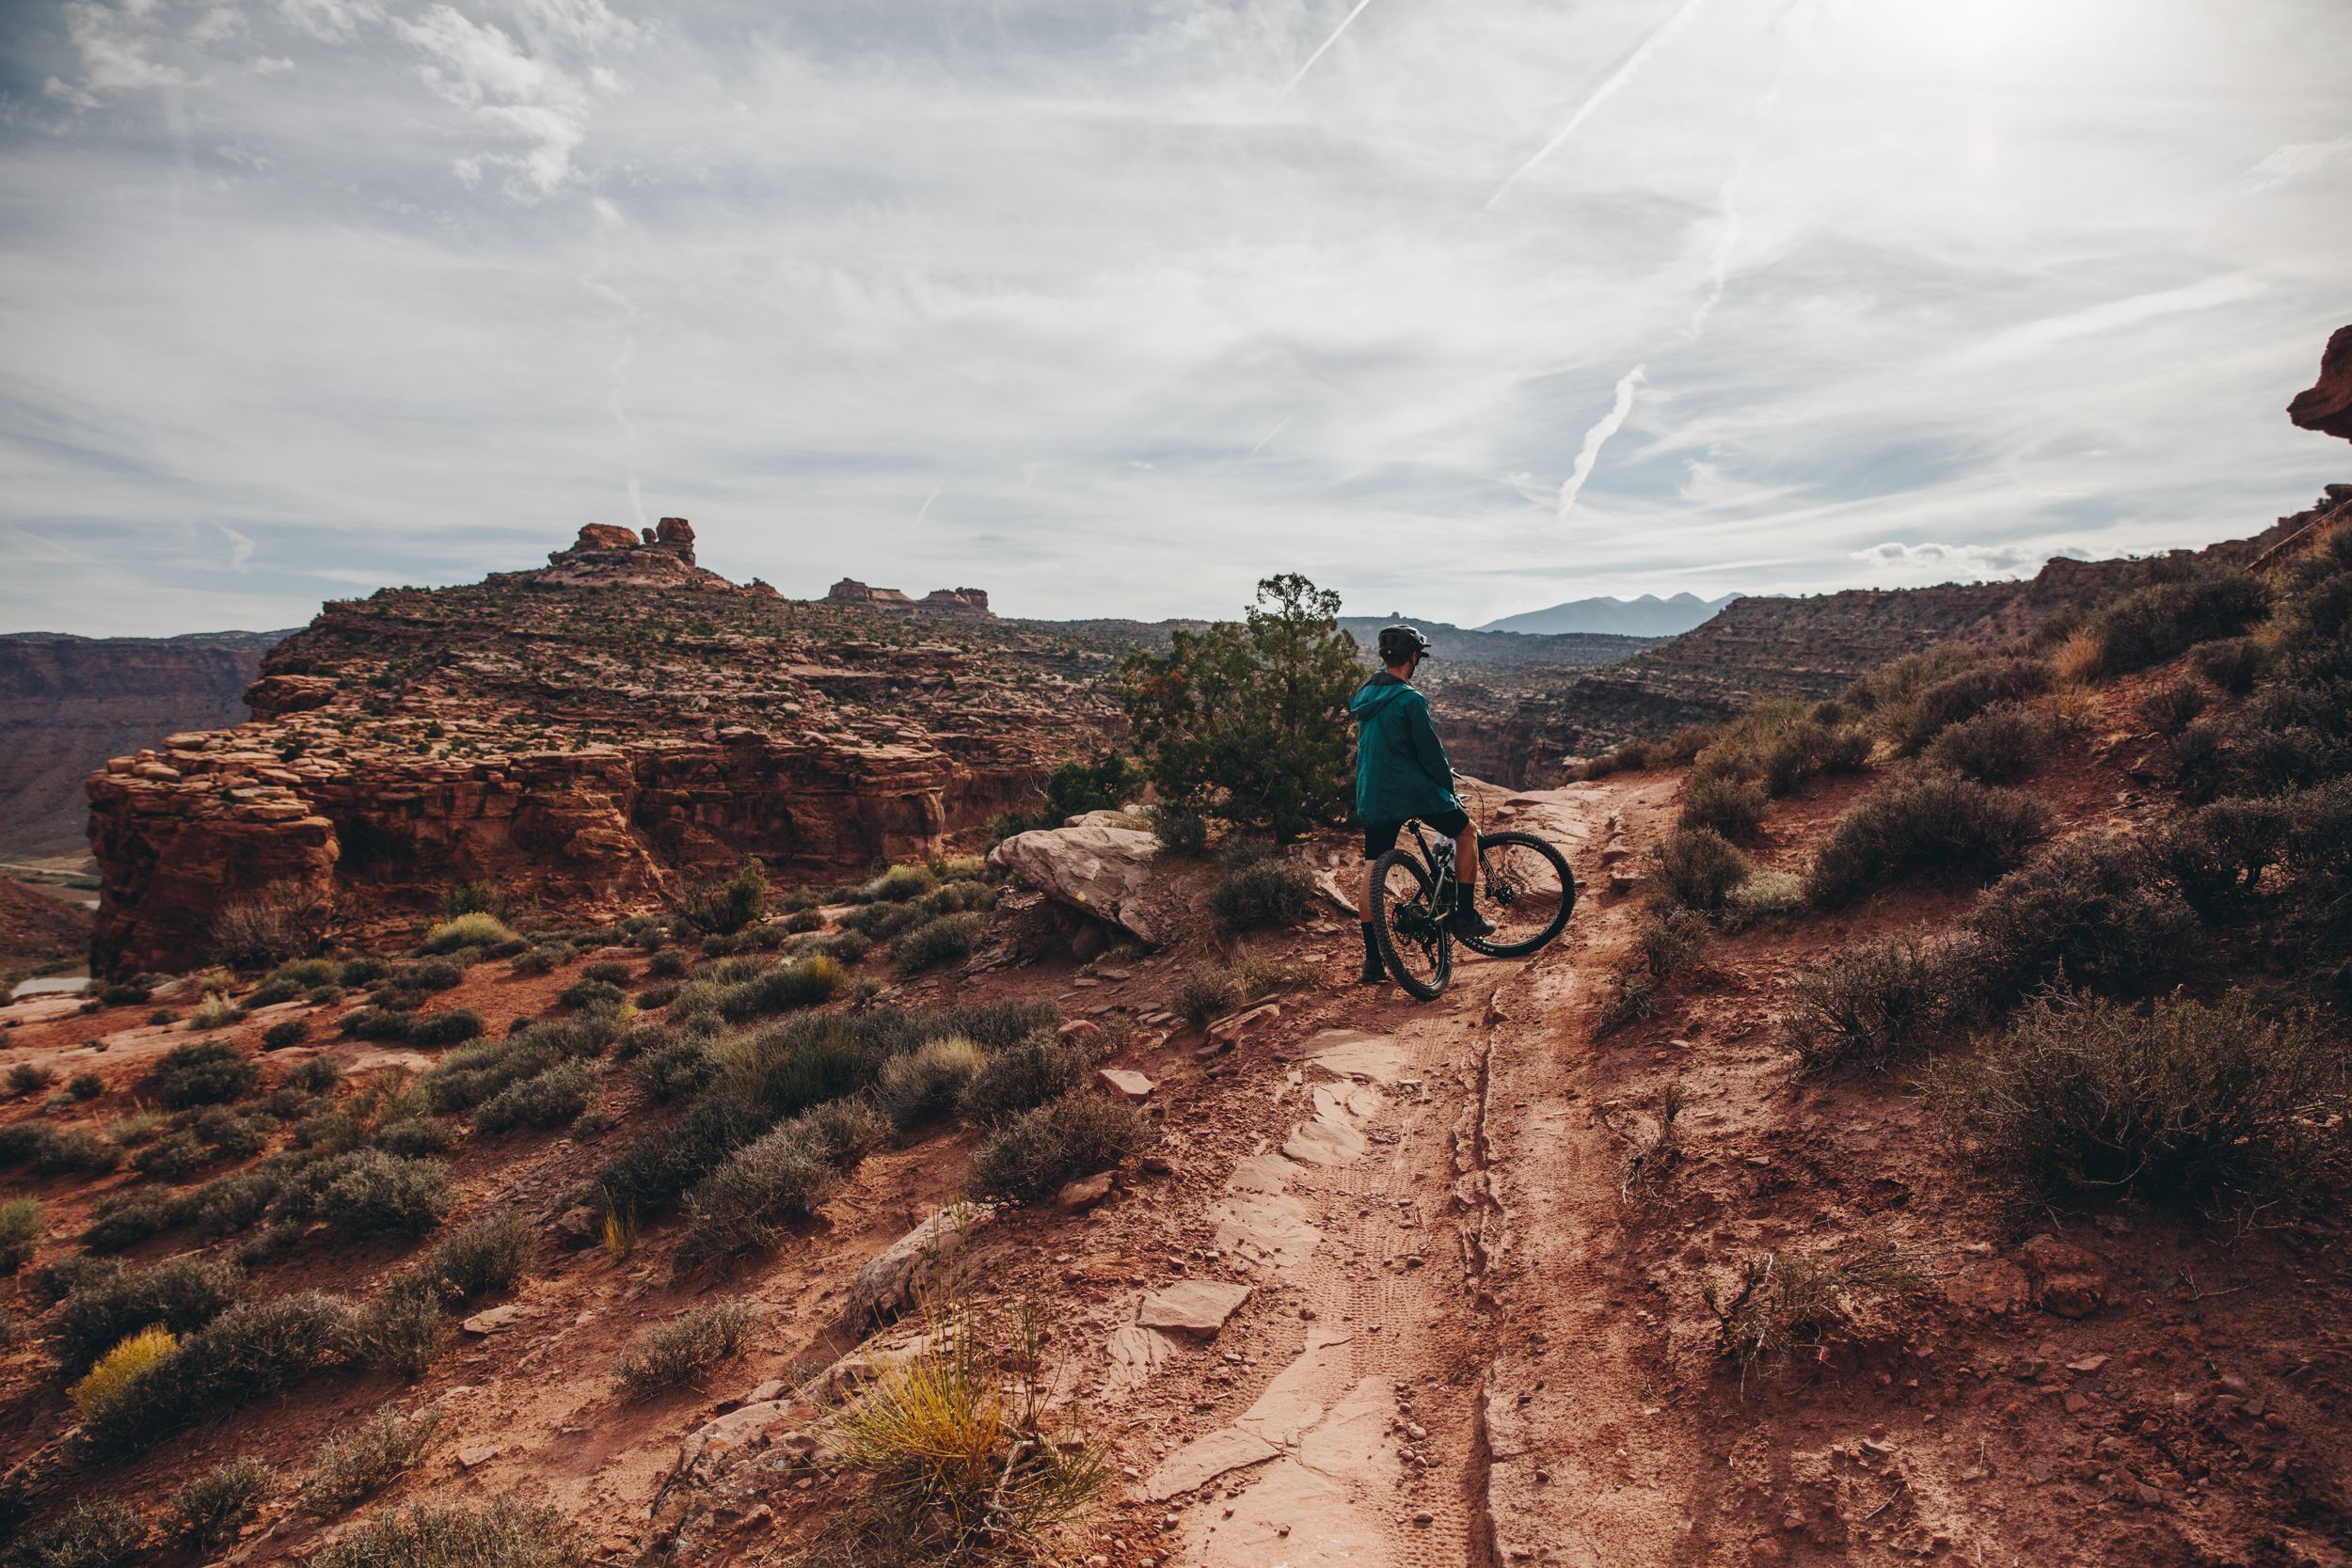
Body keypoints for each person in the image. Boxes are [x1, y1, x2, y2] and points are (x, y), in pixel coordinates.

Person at [1350, 624, 1491, 985]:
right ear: (1414, 657)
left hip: (1373, 793)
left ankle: (1371, 961)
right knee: (1466, 832)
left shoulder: (1366, 692)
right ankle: (1466, 915)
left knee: (1372, 868)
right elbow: (1430, 754)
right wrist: (1446, 786)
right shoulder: (1410, 700)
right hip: (1410, 791)